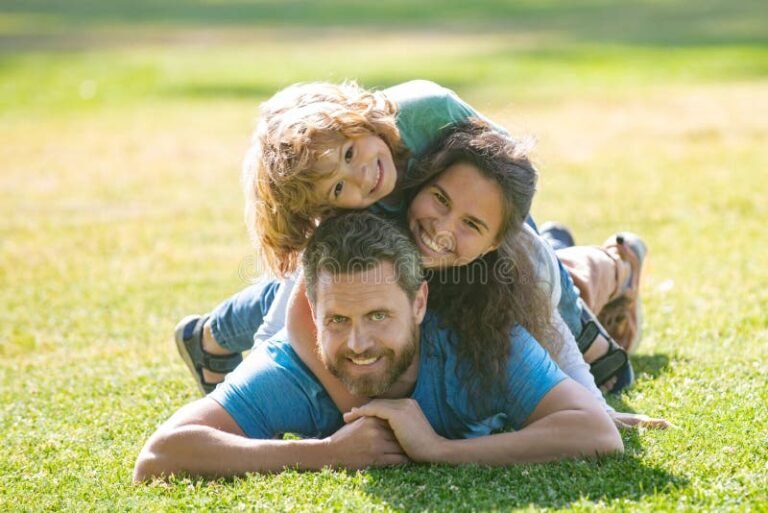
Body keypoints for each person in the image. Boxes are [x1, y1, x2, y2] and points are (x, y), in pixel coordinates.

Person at [178, 121, 667, 429]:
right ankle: (210, 336)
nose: (441, 229)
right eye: (440, 201)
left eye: (471, 224)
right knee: (302, 298)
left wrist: (592, 407)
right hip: (357, 285)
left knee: (569, 283)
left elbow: (550, 333)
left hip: (528, 273)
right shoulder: (370, 209)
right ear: (421, 182)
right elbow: (286, 320)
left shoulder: (515, 259)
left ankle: (617, 263)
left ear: (493, 238)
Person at [133, 213, 623, 481]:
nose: (358, 343)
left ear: (419, 302)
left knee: (579, 275)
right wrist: (324, 454)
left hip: (539, 277)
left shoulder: (480, 343)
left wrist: (439, 450)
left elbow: (598, 434)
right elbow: (159, 455)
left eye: (378, 316)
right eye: (338, 320)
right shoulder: (291, 373)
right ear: (311, 313)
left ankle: (620, 261)